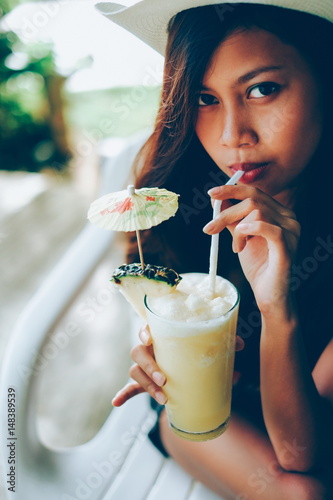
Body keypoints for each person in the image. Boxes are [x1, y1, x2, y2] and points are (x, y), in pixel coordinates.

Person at [96, 1, 333, 498]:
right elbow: (151, 307)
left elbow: (300, 450)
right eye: (204, 99)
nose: (232, 137)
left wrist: (275, 306)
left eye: (262, 89)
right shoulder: (177, 201)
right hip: (195, 416)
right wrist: (152, 349)